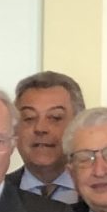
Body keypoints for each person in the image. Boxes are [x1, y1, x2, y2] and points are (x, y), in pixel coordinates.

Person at [14, 71, 85, 203]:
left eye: (55, 117)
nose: (40, 128)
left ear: (78, 125)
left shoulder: (101, 190)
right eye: (29, 118)